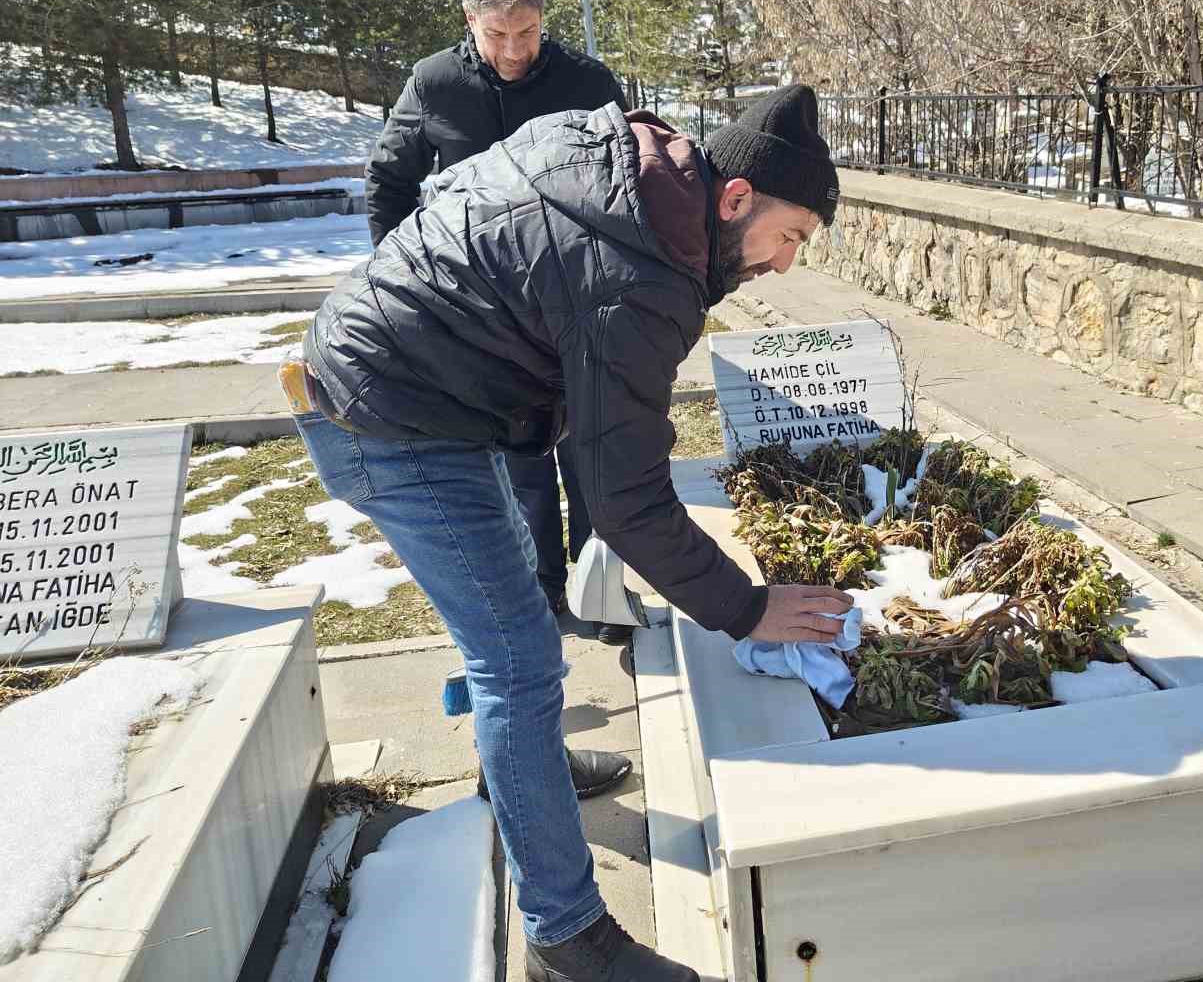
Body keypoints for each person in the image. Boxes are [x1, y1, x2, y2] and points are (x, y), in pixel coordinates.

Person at [285, 85, 852, 981]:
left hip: (426, 386)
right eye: (790, 238)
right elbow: (623, 497)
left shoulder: (626, 168)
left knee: (510, 628)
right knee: (516, 660)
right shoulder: (646, 272)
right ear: (735, 199)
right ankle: (567, 936)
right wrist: (744, 608)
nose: (784, 266)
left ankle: (517, 781)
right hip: (393, 416)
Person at [362, 0, 634, 802]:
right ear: (468, 26)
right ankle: (542, 596)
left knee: (590, 450)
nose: (514, 49)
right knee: (518, 462)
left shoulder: (590, 83)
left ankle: (604, 589)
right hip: (481, 314)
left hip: (575, 304)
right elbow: (388, 180)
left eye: (527, 30)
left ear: (545, 18)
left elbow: (627, 184)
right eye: (496, 34)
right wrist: (404, 275)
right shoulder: (436, 85)